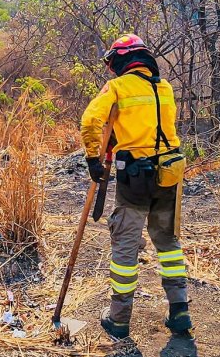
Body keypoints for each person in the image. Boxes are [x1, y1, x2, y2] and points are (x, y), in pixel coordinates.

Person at [80, 34, 192, 340]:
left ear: (120, 61)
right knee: (168, 243)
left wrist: (93, 158)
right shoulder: (164, 87)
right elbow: (153, 128)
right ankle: (180, 310)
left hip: (135, 177)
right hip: (169, 173)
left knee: (126, 244)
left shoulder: (117, 87)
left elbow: (90, 121)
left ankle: (118, 319)